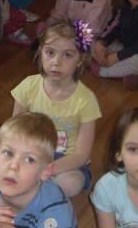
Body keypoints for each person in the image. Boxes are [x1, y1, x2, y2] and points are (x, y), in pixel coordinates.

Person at [12, 21, 101, 198]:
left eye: (67, 55)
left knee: (72, 183)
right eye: (50, 52)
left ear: (80, 59)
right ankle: (38, 191)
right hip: (32, 154)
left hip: (67, 162)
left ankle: (37, 192)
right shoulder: (28, 87)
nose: (56, 62)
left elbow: (81, 155)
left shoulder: (86, 100)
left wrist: (48, 169)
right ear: (41, 52)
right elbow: (14, 132)